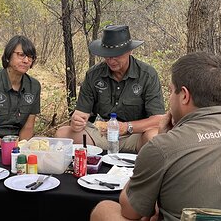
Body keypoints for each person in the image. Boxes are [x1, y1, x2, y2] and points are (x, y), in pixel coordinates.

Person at [90, 51, 221, 221]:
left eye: (171, 91)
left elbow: (130, 211)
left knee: (104, 209)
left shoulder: (163, 147)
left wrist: (161, 140)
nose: (170, 98)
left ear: (184, 95)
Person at [55, 24, 165, 153]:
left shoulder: (147, 74)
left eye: (116, 55)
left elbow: (158, 120)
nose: (111, 60)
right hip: (102, 134)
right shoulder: (94, 74)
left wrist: (127, 127)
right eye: (107, 55)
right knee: (62, 134)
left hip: (135, 134)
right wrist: (77, 121)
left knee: (155, 137)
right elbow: (81, 112)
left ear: (129, 51)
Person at [0, 35, 41, 165]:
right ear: (9, 56)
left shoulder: (34, 86)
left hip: (16, 144)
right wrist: (9, 149)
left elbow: (28, 126)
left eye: (30, 57)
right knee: (5, 161)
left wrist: (21, 147)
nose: (26, 60)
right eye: (21, 55)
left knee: (39, 159)